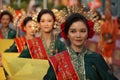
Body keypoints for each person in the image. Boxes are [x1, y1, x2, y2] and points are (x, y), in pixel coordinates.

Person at [43, 13, 118, 80]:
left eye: (82, 31)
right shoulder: (58, 60)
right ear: (67, 34)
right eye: (73, 31)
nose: (78, 35)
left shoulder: (96, 58)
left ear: (88, 33)